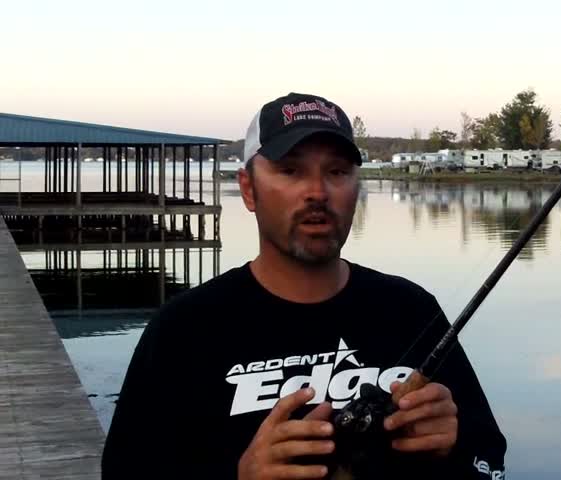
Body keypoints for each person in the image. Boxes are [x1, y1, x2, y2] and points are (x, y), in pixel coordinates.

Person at [101, 92, 507, 479]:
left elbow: (489, 461)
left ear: (356, 187)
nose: (317, 192)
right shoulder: (184, 329)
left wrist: (453, 450)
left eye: (337, 172)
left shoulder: (410, 309)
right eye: (290, 171)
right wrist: (239, 476)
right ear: (248, 189)